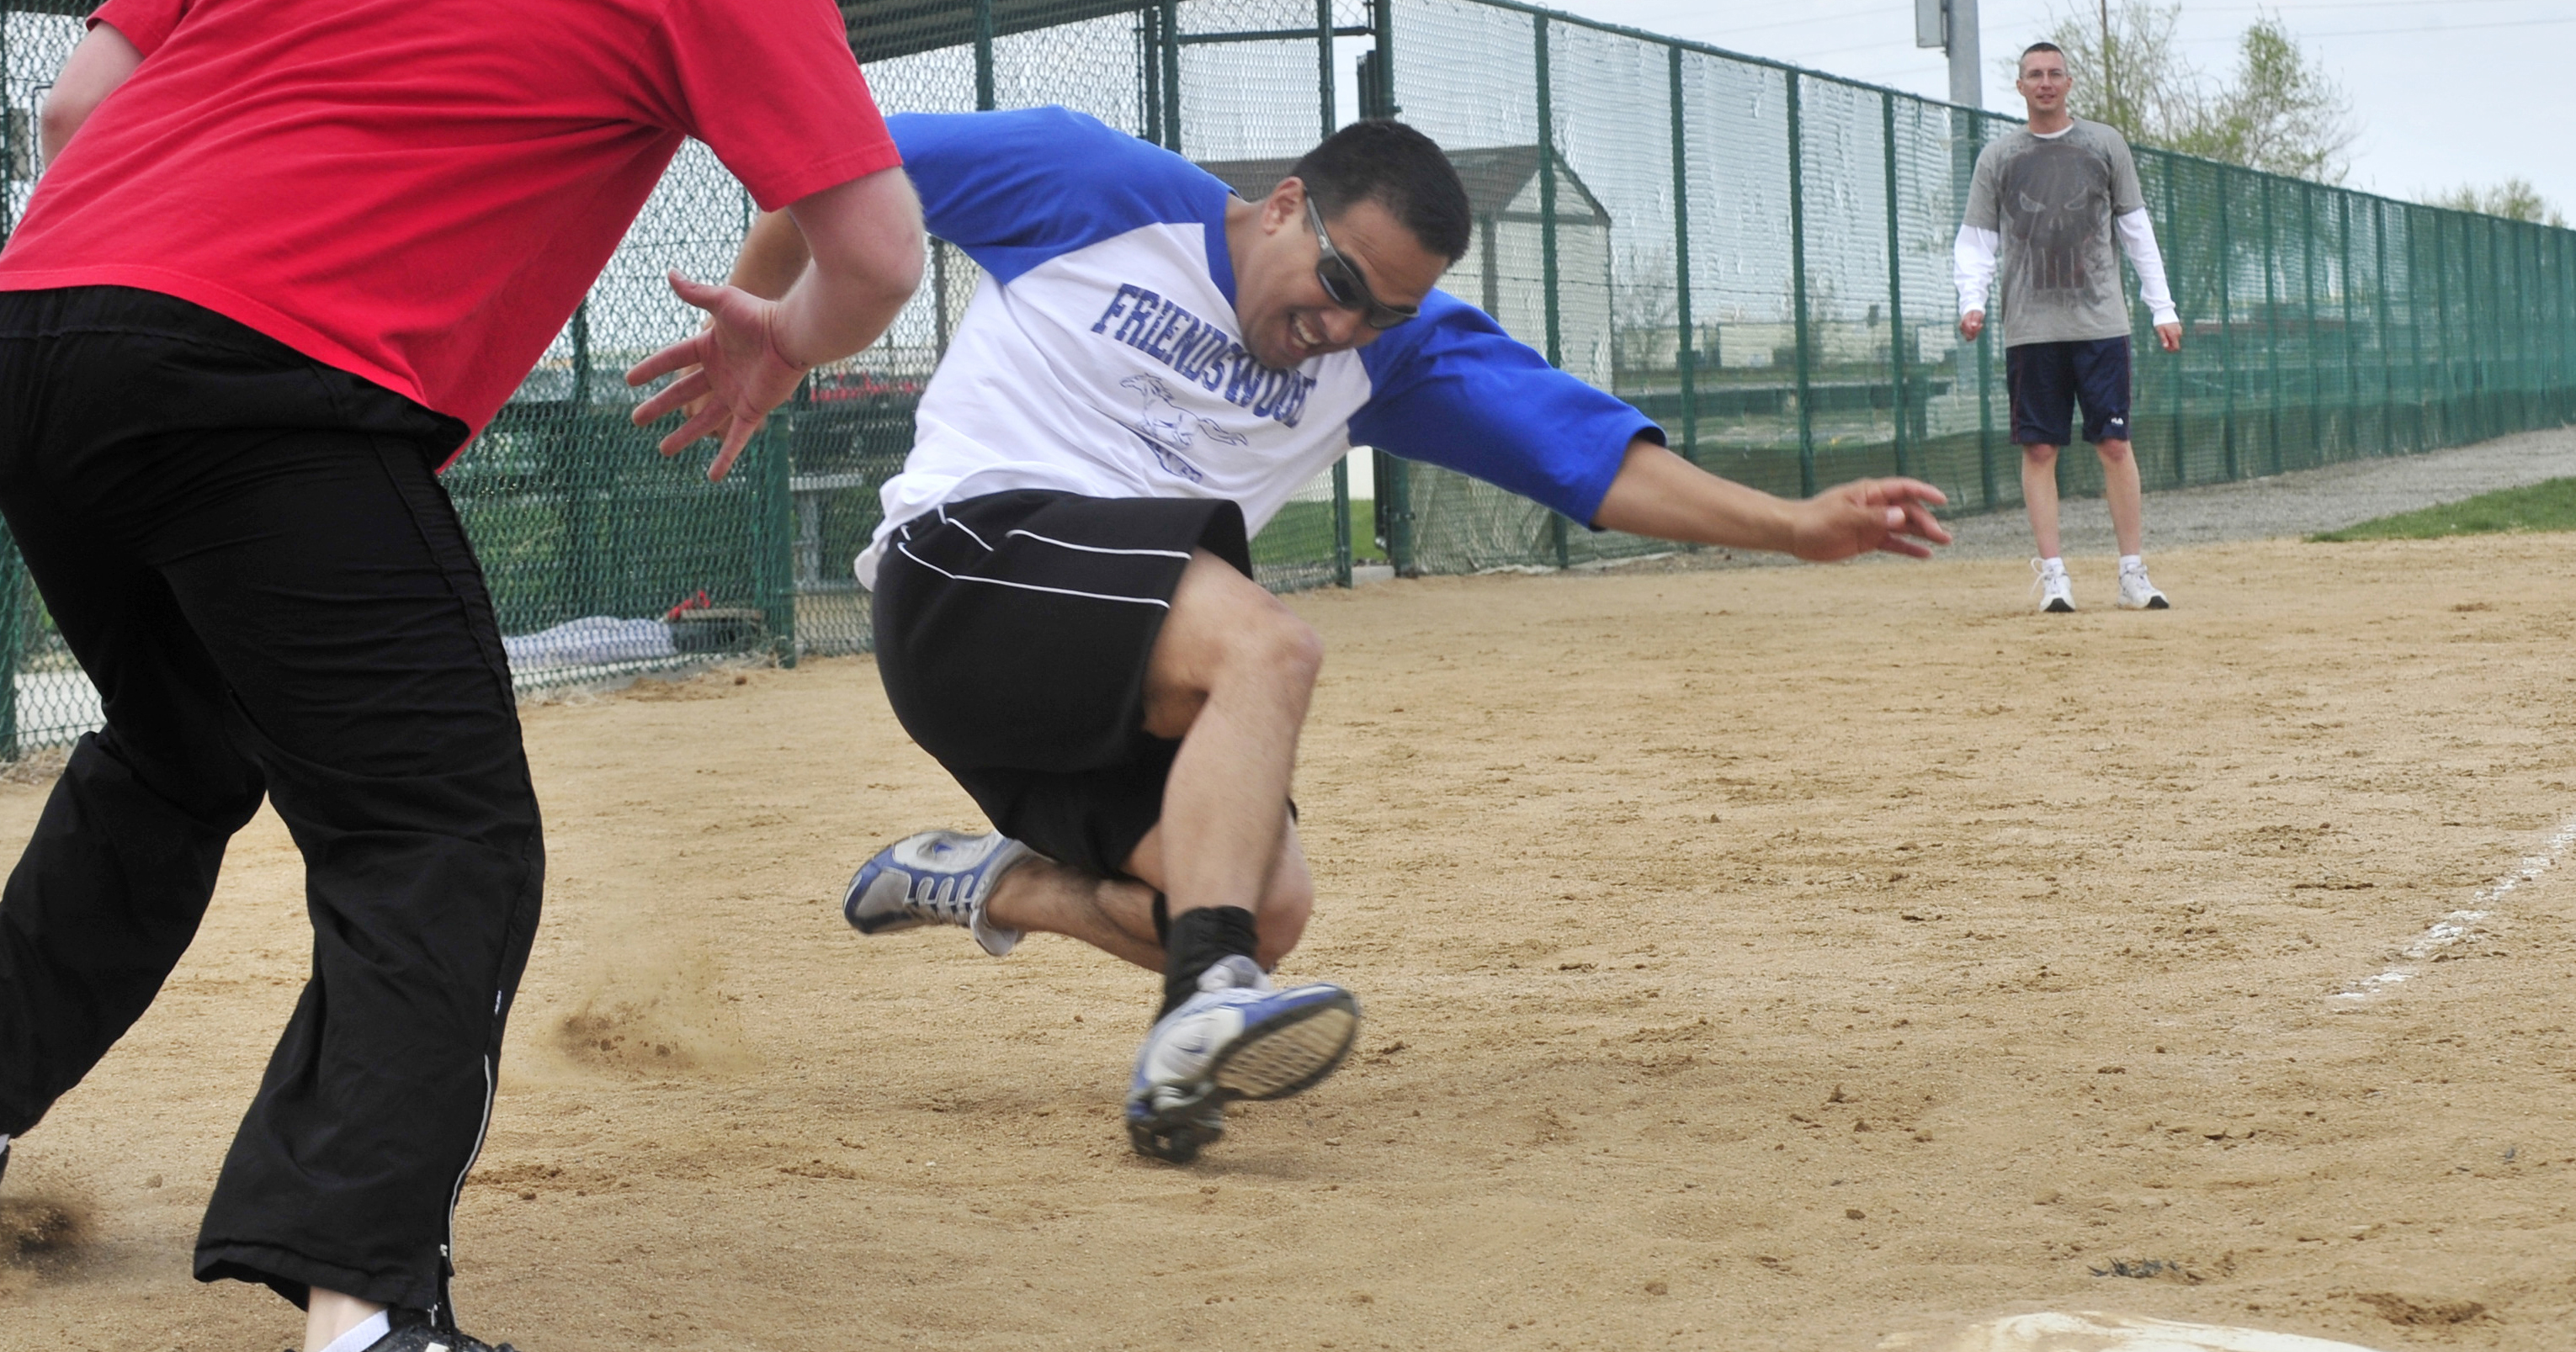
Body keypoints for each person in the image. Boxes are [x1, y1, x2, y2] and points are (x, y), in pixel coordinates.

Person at [0, 0, 926, 1352]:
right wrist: (778, 340)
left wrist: (164, 262)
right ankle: (365, 1306)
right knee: (439, 827)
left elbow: (71, 118)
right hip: (256, 384)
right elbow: (877, 246)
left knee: (183, 745)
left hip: (30, 337)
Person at [725, 108, 1950, 1164]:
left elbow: (1591, 458)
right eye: (1342, 283)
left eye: (1384, 314)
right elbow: (830, 161)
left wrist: (1791, 526)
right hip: (967, 569)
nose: (1345, 327)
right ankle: (1201, 1009)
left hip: (1102, 658)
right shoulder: (1089, 185)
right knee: (1269, 646)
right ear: (1286, 206)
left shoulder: (1392, 357)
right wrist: (779, 330)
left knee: (1262, 908)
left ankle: (999, 885)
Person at [1954, 41, 2183, 613]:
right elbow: (1977, 241)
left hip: (2101, 321)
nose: (2046, 82)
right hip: (2031, 327)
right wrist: (1971, 299)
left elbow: (2135, 230)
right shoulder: (1999, 158)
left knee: (2113, 442)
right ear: (2021, 85)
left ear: (2070, 81)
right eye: (2035, 74)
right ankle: (2055, 578)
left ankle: (2133, 573)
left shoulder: (2105, 145)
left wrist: (2163, 307)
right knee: (2039, 450)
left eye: (2055, 73)